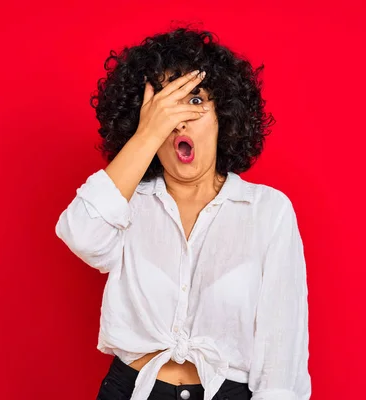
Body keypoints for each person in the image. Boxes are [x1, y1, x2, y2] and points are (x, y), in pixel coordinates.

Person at [55, 27, 311, 400]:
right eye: (163, 105)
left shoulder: (267, 212)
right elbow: (81, 233)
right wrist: (147, 134)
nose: (178, 120)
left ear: (223, 114)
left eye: (194, 100)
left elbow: (282, 353)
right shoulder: (127, 204)